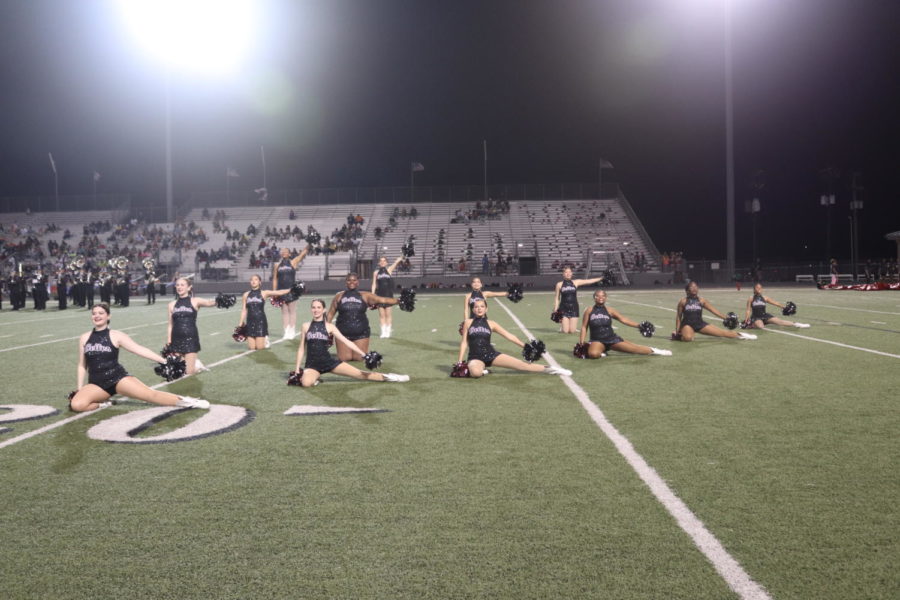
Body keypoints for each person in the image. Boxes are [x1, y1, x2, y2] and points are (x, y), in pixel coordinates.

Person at [69, 303, 210, 412]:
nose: (97, 316)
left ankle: (190, 402)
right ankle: (102, 404)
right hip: (97, 383)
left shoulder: (116, 335)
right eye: (94, 313)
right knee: (76, 405)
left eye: (101, 313)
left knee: (150, 395)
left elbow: (139, 350)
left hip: (118, 379)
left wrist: (164, 361)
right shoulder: (84, 338)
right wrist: (79, 388)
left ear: (108, 316)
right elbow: (82, 365)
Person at [292, 299, 409, 387]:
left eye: (318, 307)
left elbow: (347, 342)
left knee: (360, 374)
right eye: (313, 307)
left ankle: (392, 377)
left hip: (329, 362)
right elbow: (302, 348)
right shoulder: (305, 326)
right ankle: (315, 378)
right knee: (306, 383)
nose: (316, 310)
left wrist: (363, 354)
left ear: (324, 310)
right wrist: (297, 368)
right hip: (312, 364)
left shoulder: (330, 327)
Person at [457, 298, 571, 378]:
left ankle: (553, 369)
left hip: (491, 354)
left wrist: (526, 346)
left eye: (482, 306)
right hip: (475, 357)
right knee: (475, 373)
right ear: (473, 310)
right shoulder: (468, 322)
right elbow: (464, 343)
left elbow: (509, 336)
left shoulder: (492, 323)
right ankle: (483, 371)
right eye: (476, 307)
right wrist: (460, 361)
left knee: (523, 366)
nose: (479, 309)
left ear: (486, 309)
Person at [326, 273, 400, 361]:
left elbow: (383, 300)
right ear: (346, 282)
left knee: (359, 359)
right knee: (345, 358)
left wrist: (399, 301)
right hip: (342, 333)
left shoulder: (365, 295)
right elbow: (330, 314)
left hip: (361, 333)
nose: (351, 282)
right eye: (349, 280)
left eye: (354, 280)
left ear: (358, 282)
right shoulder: (339, 296)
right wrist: (324, 330)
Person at [578, 290, 671, 357]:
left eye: (603, 296)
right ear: (594, 298)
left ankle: (656, 350)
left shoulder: (610, 310)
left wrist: (638, 325)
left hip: (611, 339)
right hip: (597, 340)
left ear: (606, 298)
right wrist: (581, 343)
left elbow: (623, 319)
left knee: (635, 349)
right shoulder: (589, 310)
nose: (600, 298)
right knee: (593, 354)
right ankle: (602, 350)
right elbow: (583, 327)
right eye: (598, 296)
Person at [167, 277, 220, 375]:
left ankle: (197, 365)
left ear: (189, 287)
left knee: (189, 372)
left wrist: (220, 300)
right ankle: (195, 364)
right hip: (176, 339)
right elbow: (170, 324)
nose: (179, 287)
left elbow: (209, 303)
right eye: (177, 285)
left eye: (182, 285)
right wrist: (169, 340)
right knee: (178, 370)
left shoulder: (195, 301)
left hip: (190, 338)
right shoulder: (171, 304)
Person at [673, 281, 757, 342]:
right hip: (687, 324)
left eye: (696, 286)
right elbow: (679, 317)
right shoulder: (683, 301)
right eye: (692, 287)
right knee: (688, 338)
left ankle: (743, 335)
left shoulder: (702, 300)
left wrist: (726, 317)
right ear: (687, 290)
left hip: (700, 324)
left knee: (723, 333)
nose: (694, 288)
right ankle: (679, 336)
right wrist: (677, 331)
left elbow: (714, 311)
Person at [238, 274, 294, 351]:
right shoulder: (246, 295)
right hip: (250, 322)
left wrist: (291, 289)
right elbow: (244, 310)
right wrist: (240, 323)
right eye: (251, 280)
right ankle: (264, 339)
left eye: (256, 279)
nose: (253, 281)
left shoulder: (264, 293)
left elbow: (278, 292)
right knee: (252, 348)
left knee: (260, 348)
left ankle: (265, 339)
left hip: (260, 322)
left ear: (260, 282)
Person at [272, 245, 310, 340]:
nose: (284, 252)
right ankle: (286, 332)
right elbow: (275, 279)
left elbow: (302, 254)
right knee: (284, 312)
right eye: (282, 251)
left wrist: (308, 245)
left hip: (292, 290)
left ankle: (292, 331)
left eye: (286, 251)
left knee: (292, 311)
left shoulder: (293, 262)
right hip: (281, 290)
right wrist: (274, 292)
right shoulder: (277, 265)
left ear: (289, 254)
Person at [554, 266, 604, 334]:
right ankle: (562, 327)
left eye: (569, 272)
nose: (568, 274)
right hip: (563, 309)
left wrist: (601, 278)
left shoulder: (576, 282)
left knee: (572, 331)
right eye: (566, 272)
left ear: (572, 273)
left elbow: (588, 281)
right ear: (563, 274)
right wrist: (555, 310)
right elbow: (557, 298)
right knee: (565, 331)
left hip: (574, 308)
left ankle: (570, 327)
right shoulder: (559, 284)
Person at [743, 283, 810, 329]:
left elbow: (775, 303)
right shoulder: (751, 298)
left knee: (780, 322)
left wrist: (784, 307)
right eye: (757, 287)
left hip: (765, 315)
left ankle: (798, 324)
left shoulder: (765, 298)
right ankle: (752, 324)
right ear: (754, 289)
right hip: (756, 317)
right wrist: (746, 319)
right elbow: (748, 310)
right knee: (761, 327)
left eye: (761, 287)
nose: (759, 288)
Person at [371, 255, 403, 338]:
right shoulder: (376, 273)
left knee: (388, 314)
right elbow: (374, 284)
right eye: (381, 261)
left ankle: (388, 331)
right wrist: (372, 294)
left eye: (384, 260)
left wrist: (399, 259)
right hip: (379, 296)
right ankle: (383, 332)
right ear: (379, 263)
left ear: (386, 262)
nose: (382, 262)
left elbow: (396, 263)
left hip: (388, 295)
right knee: (382, 315)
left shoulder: (389, 270)